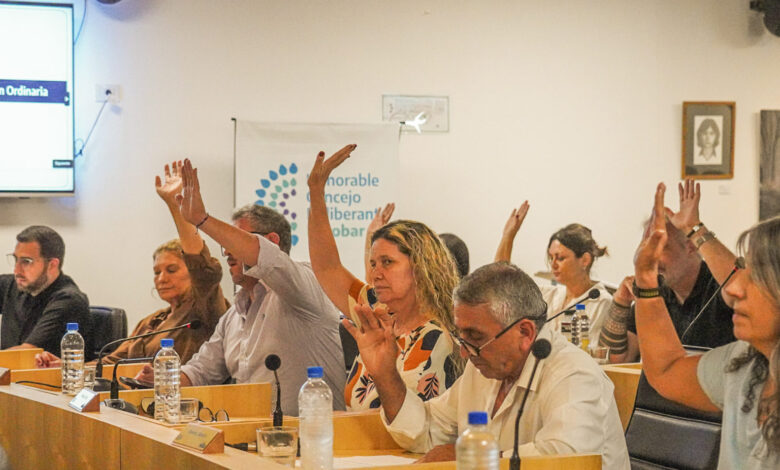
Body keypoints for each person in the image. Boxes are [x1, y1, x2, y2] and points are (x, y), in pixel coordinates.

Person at [344, 262, 629, 468]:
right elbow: (427, 430)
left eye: (476, 337)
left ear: (525, 332)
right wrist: (385, 374)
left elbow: (566, 458)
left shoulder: (573, 373)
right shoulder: (484, 365)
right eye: (462, 336)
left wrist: (472, 458)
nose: (465, 352)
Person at [137, 158, 346, 415]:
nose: (226, 251)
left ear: (272, 241)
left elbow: (267, 257)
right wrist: (164, 379)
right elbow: (203, 371)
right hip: (251, 431)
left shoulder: (304, 286)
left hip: (316, 434)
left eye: (235, 241)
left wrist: (202, 220)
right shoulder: (234, 315)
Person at [633, 183, 780, 468]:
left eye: (755, 277)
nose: (734, 289)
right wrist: (646, 278)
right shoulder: (745, 364)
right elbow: (666, 370)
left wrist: (694, 229)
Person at [308, 145, 461, 411]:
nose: (376, 274)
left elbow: (407, 421)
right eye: (373, 264)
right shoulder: (375, 311)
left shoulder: (436, 338)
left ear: (421, 267)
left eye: (387, 263)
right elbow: (327, 267)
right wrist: (316, 192)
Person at [35, 161, 229, 367]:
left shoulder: (204, 307)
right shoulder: (152, 321)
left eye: (171, 270)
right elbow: (110, 363)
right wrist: (66, 366)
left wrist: (175, 205)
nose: (162, 278)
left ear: (191, 272)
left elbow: (201, 266)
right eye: (157, 272)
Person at [599, 180, 736, 363]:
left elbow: (743, 284)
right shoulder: (655, 289)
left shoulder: (719, 282)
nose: (651, 259)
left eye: (662, 248)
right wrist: (621, 302)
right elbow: (616, 360)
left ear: (691, 246)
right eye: (647, 249)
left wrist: (695, 228)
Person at [495, 202, 612, 344]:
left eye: (560, 258)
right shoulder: (548, 295)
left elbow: (589, 351)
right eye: (551, 258)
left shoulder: (601, 302)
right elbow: (502, 285)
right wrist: (508, 236)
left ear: (585, 260)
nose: (553, 264)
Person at [1, 226, 91, 358]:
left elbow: (26, 353)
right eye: (16, 260)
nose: (17, 270)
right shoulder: (16, 284)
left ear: (52, 265)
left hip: (46, 372)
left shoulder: (68, 300)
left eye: (26, 262)